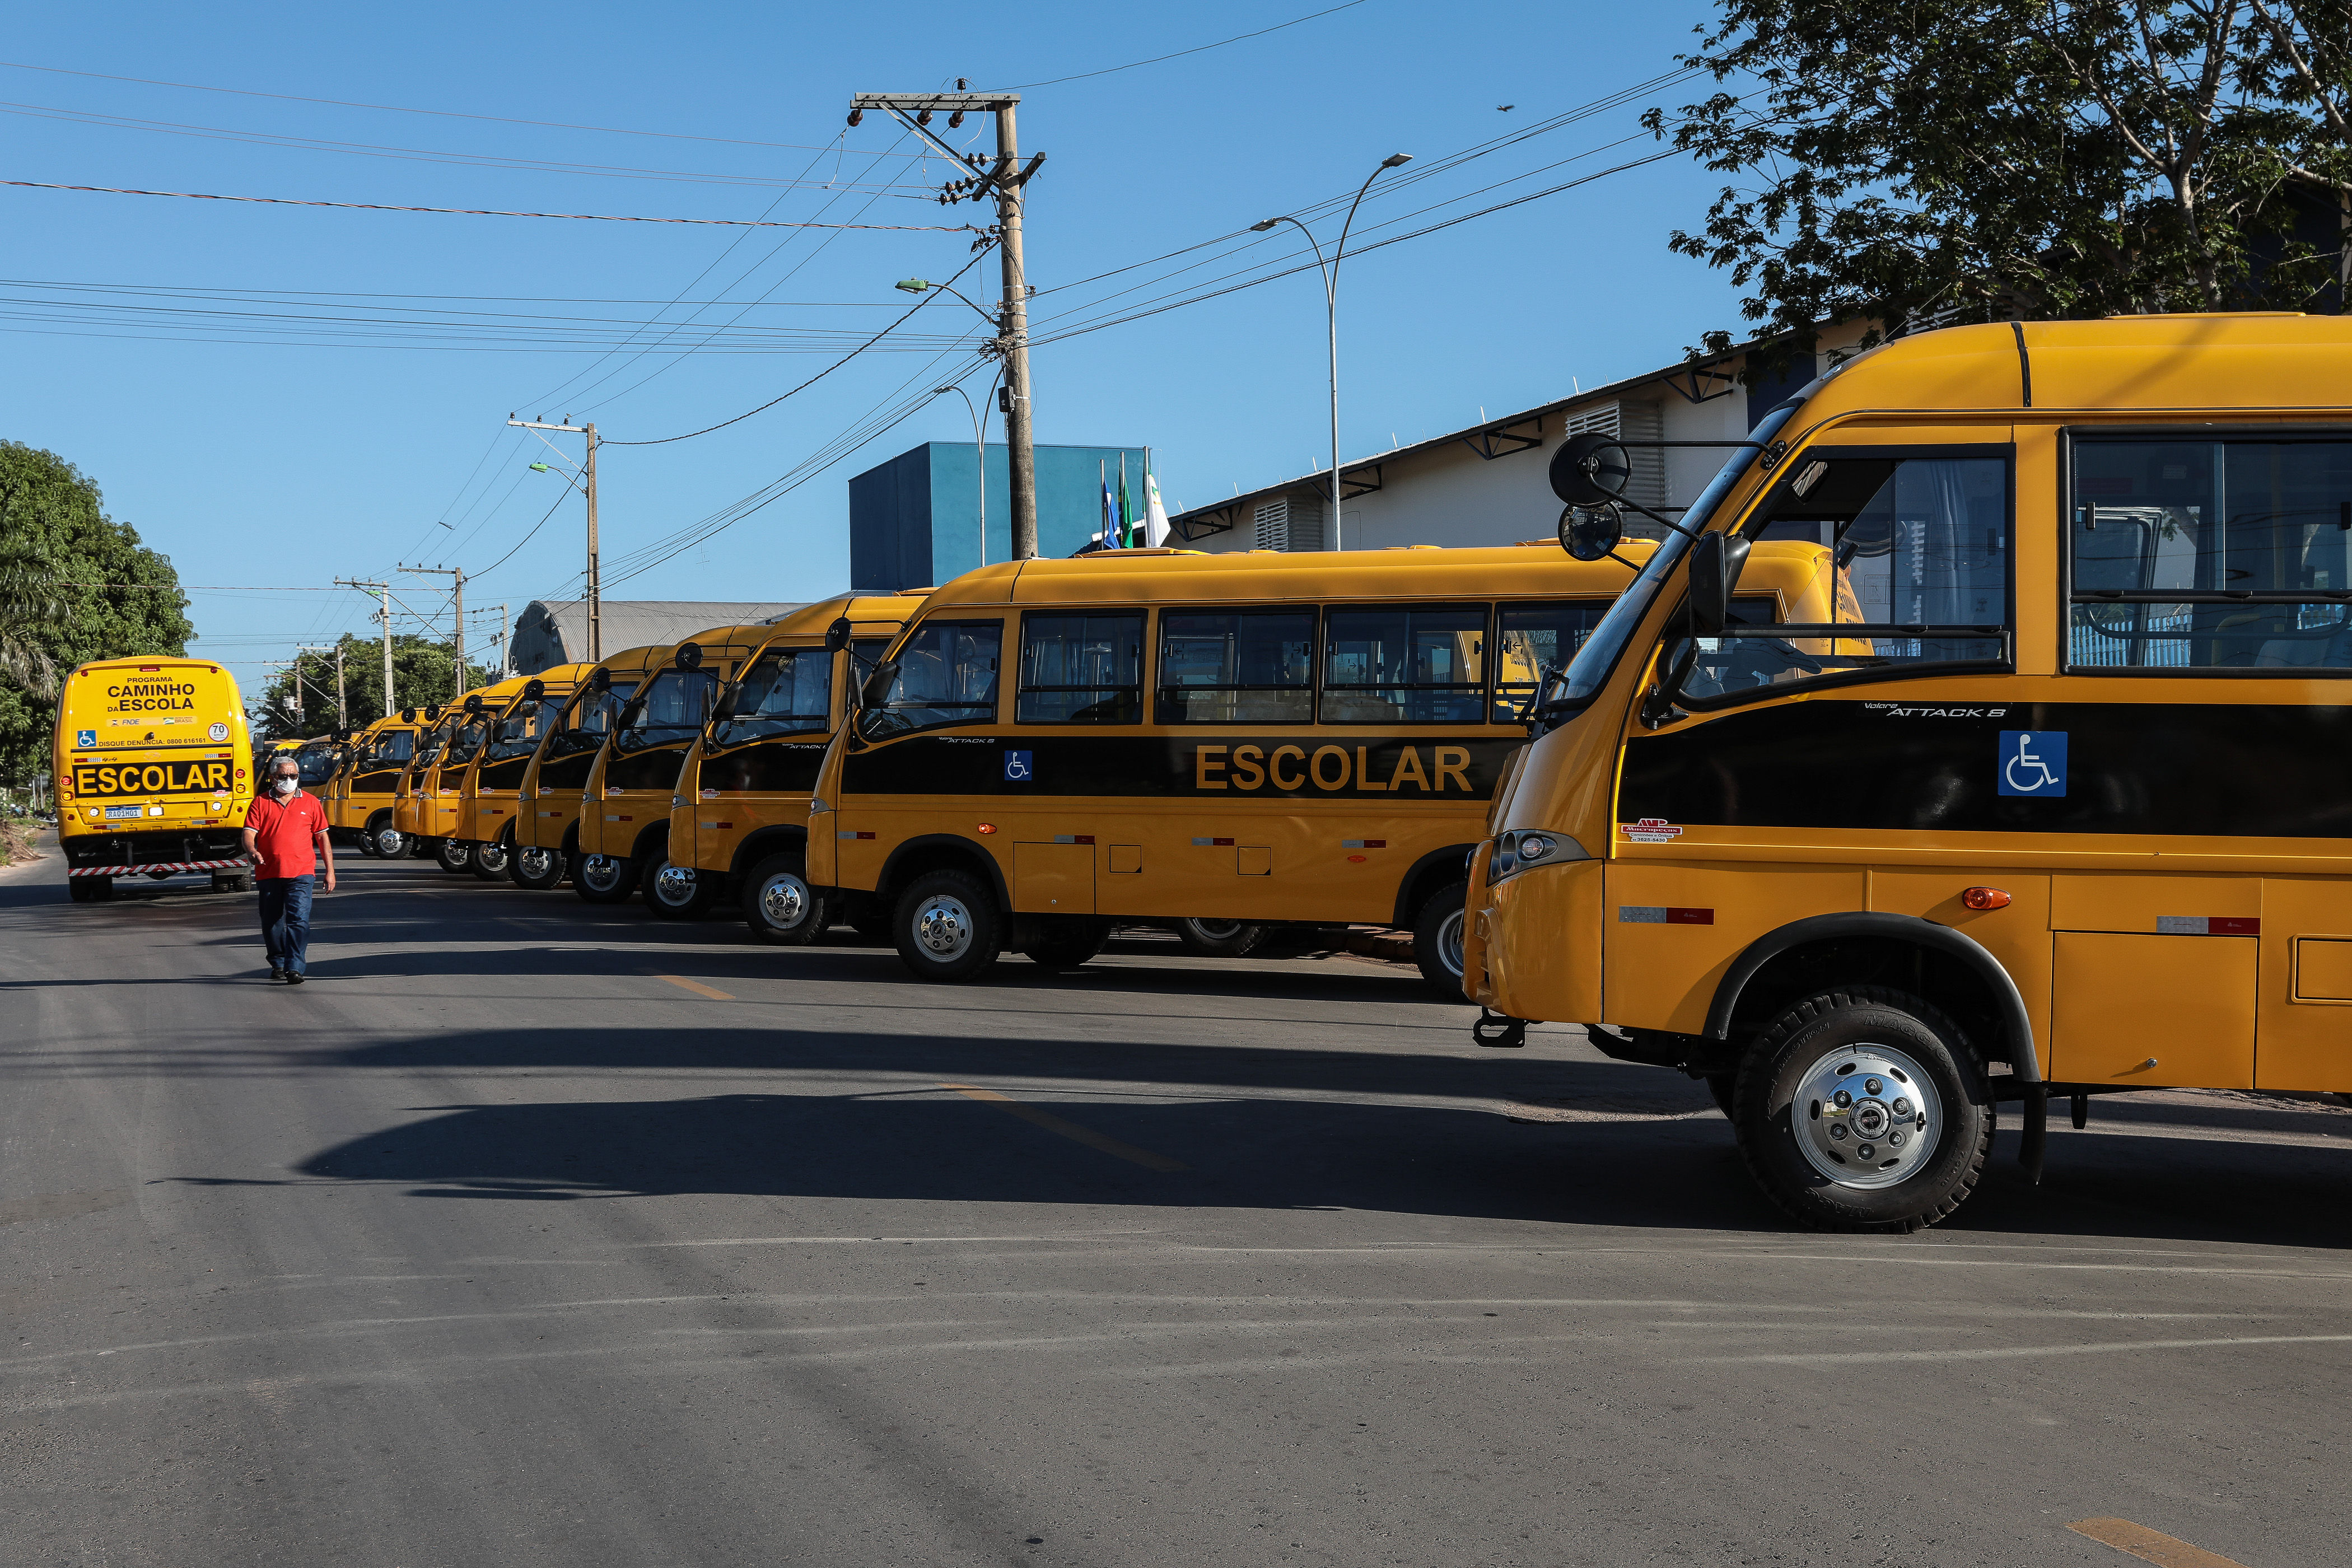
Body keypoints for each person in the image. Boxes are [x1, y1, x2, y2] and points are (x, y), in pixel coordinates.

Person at [241, 750, 334, 983]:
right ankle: (278, 962)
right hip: (269, 872)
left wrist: (330, 871)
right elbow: (248, 833)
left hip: (302, 872)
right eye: (284, 775)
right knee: (272, 921)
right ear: (273, 778)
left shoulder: (311, 803)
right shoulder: (260, 802)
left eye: (294, 775)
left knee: (299, 920)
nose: (290, 779)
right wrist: (252, 851)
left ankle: (295, 966)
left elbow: (323, 839)